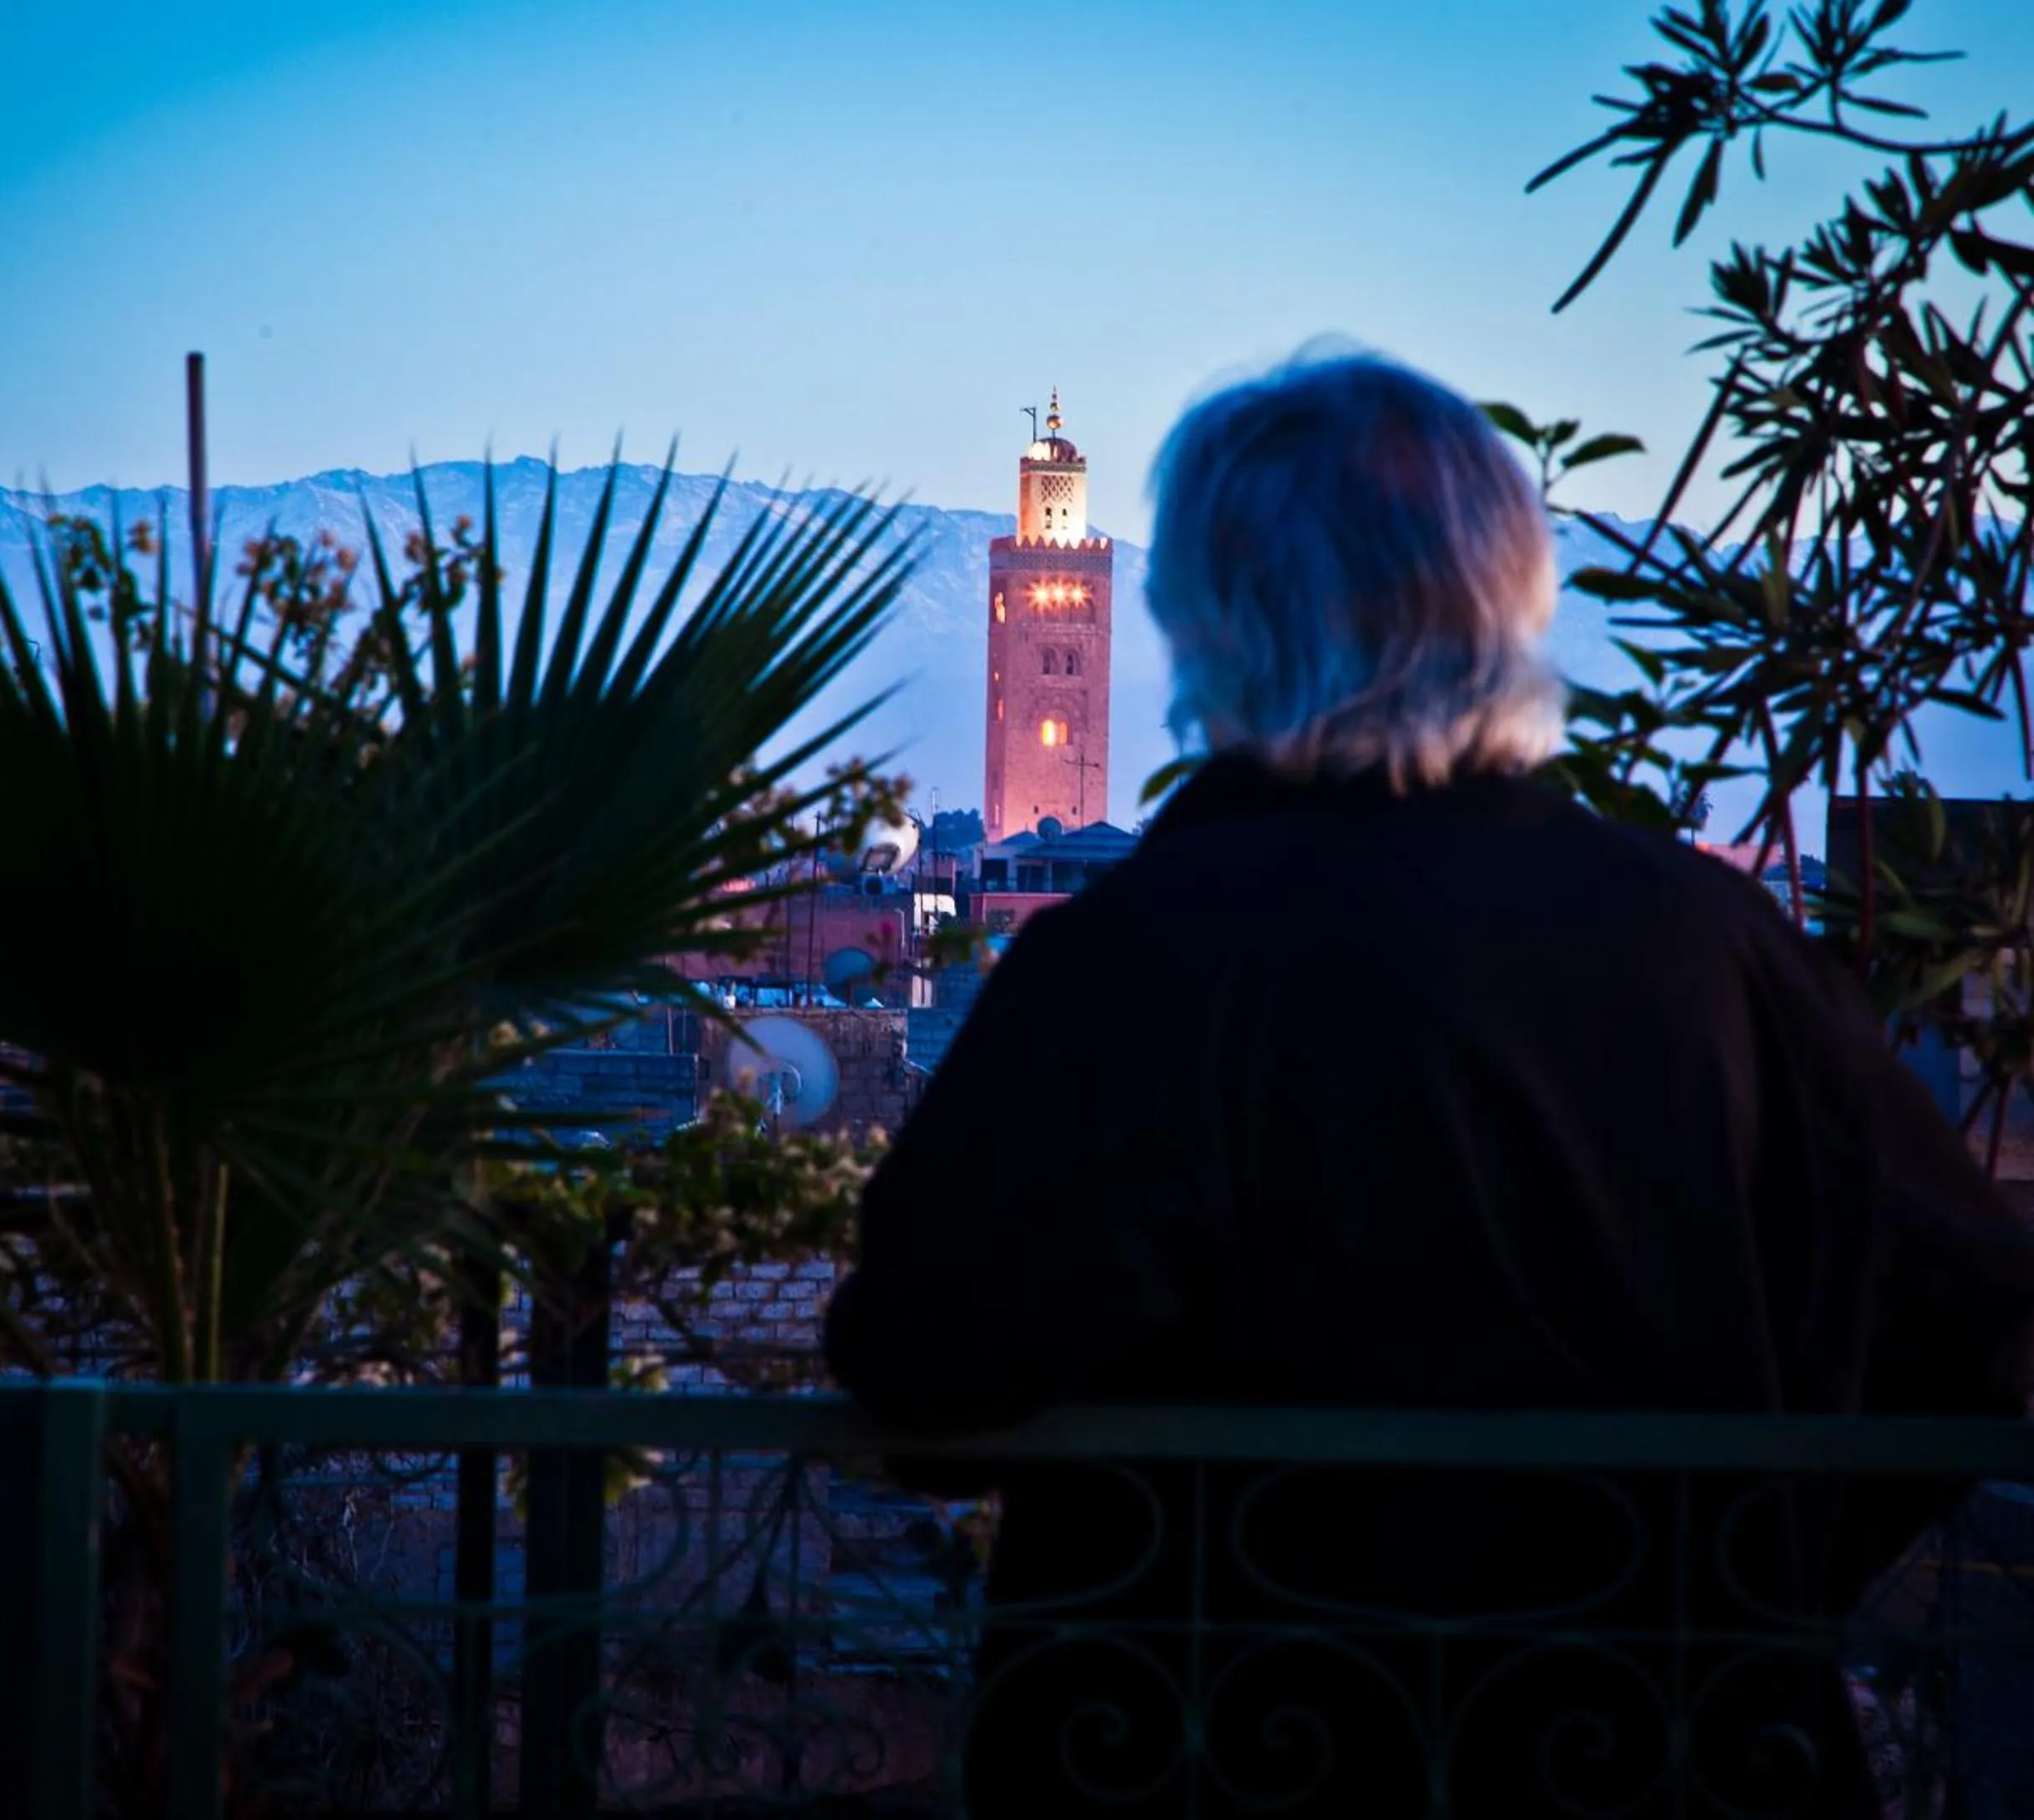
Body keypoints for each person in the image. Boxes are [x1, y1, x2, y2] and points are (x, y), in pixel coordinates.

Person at [821, 349, 2034, 1818]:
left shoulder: (1130, 966)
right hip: (1664, 1758)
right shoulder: (1712, 947)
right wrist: (1757, 1572)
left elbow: (921, 1371)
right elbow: (1974, 1319)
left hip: (1206, 1758)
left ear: (1208, 627)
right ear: (1509, 614)